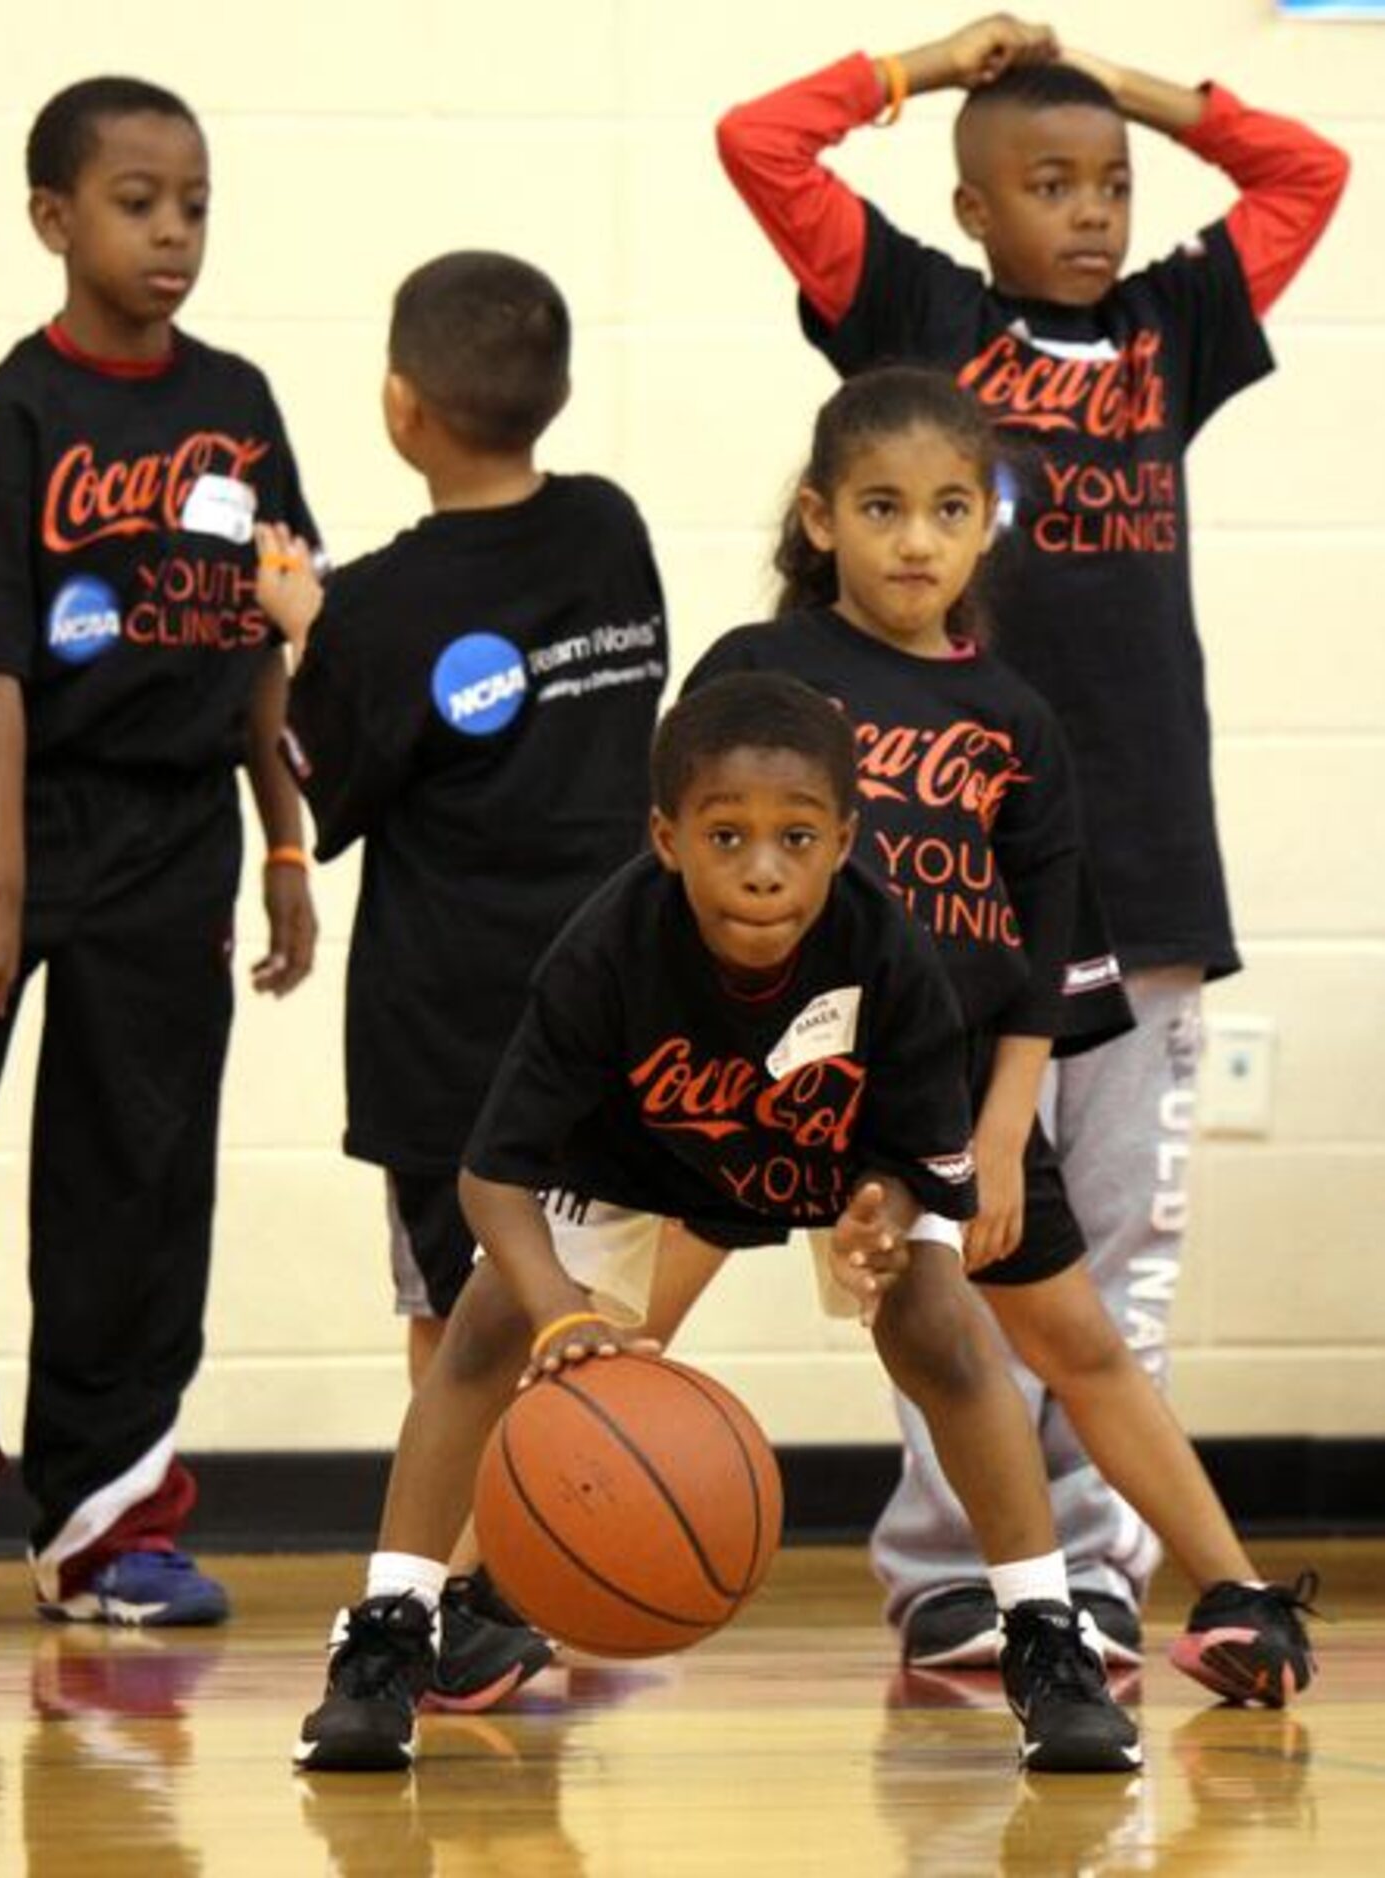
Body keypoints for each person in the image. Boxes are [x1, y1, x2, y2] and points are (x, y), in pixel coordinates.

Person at [715, 13, 1349, 1661]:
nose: (1088, 209)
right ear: (971, 209)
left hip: (1135, 865)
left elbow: (1309, 168)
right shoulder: (922, 315)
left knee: (1114, 1255)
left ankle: (1084, 1573)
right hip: (944, 880)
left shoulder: (1168, 330)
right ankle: (953, 1573)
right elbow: (758, 145)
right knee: (947, 1237)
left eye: (1110, 182)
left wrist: (1112, 84)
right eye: (1046, 182)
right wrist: (934, 69)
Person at [288, 672, 1142, 1779]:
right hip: (641, 1160)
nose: (761, 866)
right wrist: (559, 1319)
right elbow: (492, 1182)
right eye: (726, 834)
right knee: (488, 1326)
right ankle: (391, 1634)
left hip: (837, 1160)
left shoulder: (894, 963)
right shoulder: (602, 953)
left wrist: (880, 1216)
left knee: (942, 1328)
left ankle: (1044, 1635)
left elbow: (918, 1164)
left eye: (795, 836)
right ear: (666, 836)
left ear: (842, 841)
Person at [0, 77, 319, 1634]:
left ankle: (109, 1530)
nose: (171, 231)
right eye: (135, 201)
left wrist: (285, 841)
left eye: (194, 202)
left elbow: (268, 636)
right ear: (53, 218)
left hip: (171, 831)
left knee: (137, 1169)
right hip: (8, 811)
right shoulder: (16, 410)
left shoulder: (236, 401)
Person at [253, 250, 667, 1710]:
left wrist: (305, 630)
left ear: (399, 406)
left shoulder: (373, 609)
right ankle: (507, 1580)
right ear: (552, 395)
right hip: (613, 1006)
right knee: (562, 1293)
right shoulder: (613, 533)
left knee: (457, 1322)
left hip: (450, 1034)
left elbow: (326, 783)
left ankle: (467, 1599)